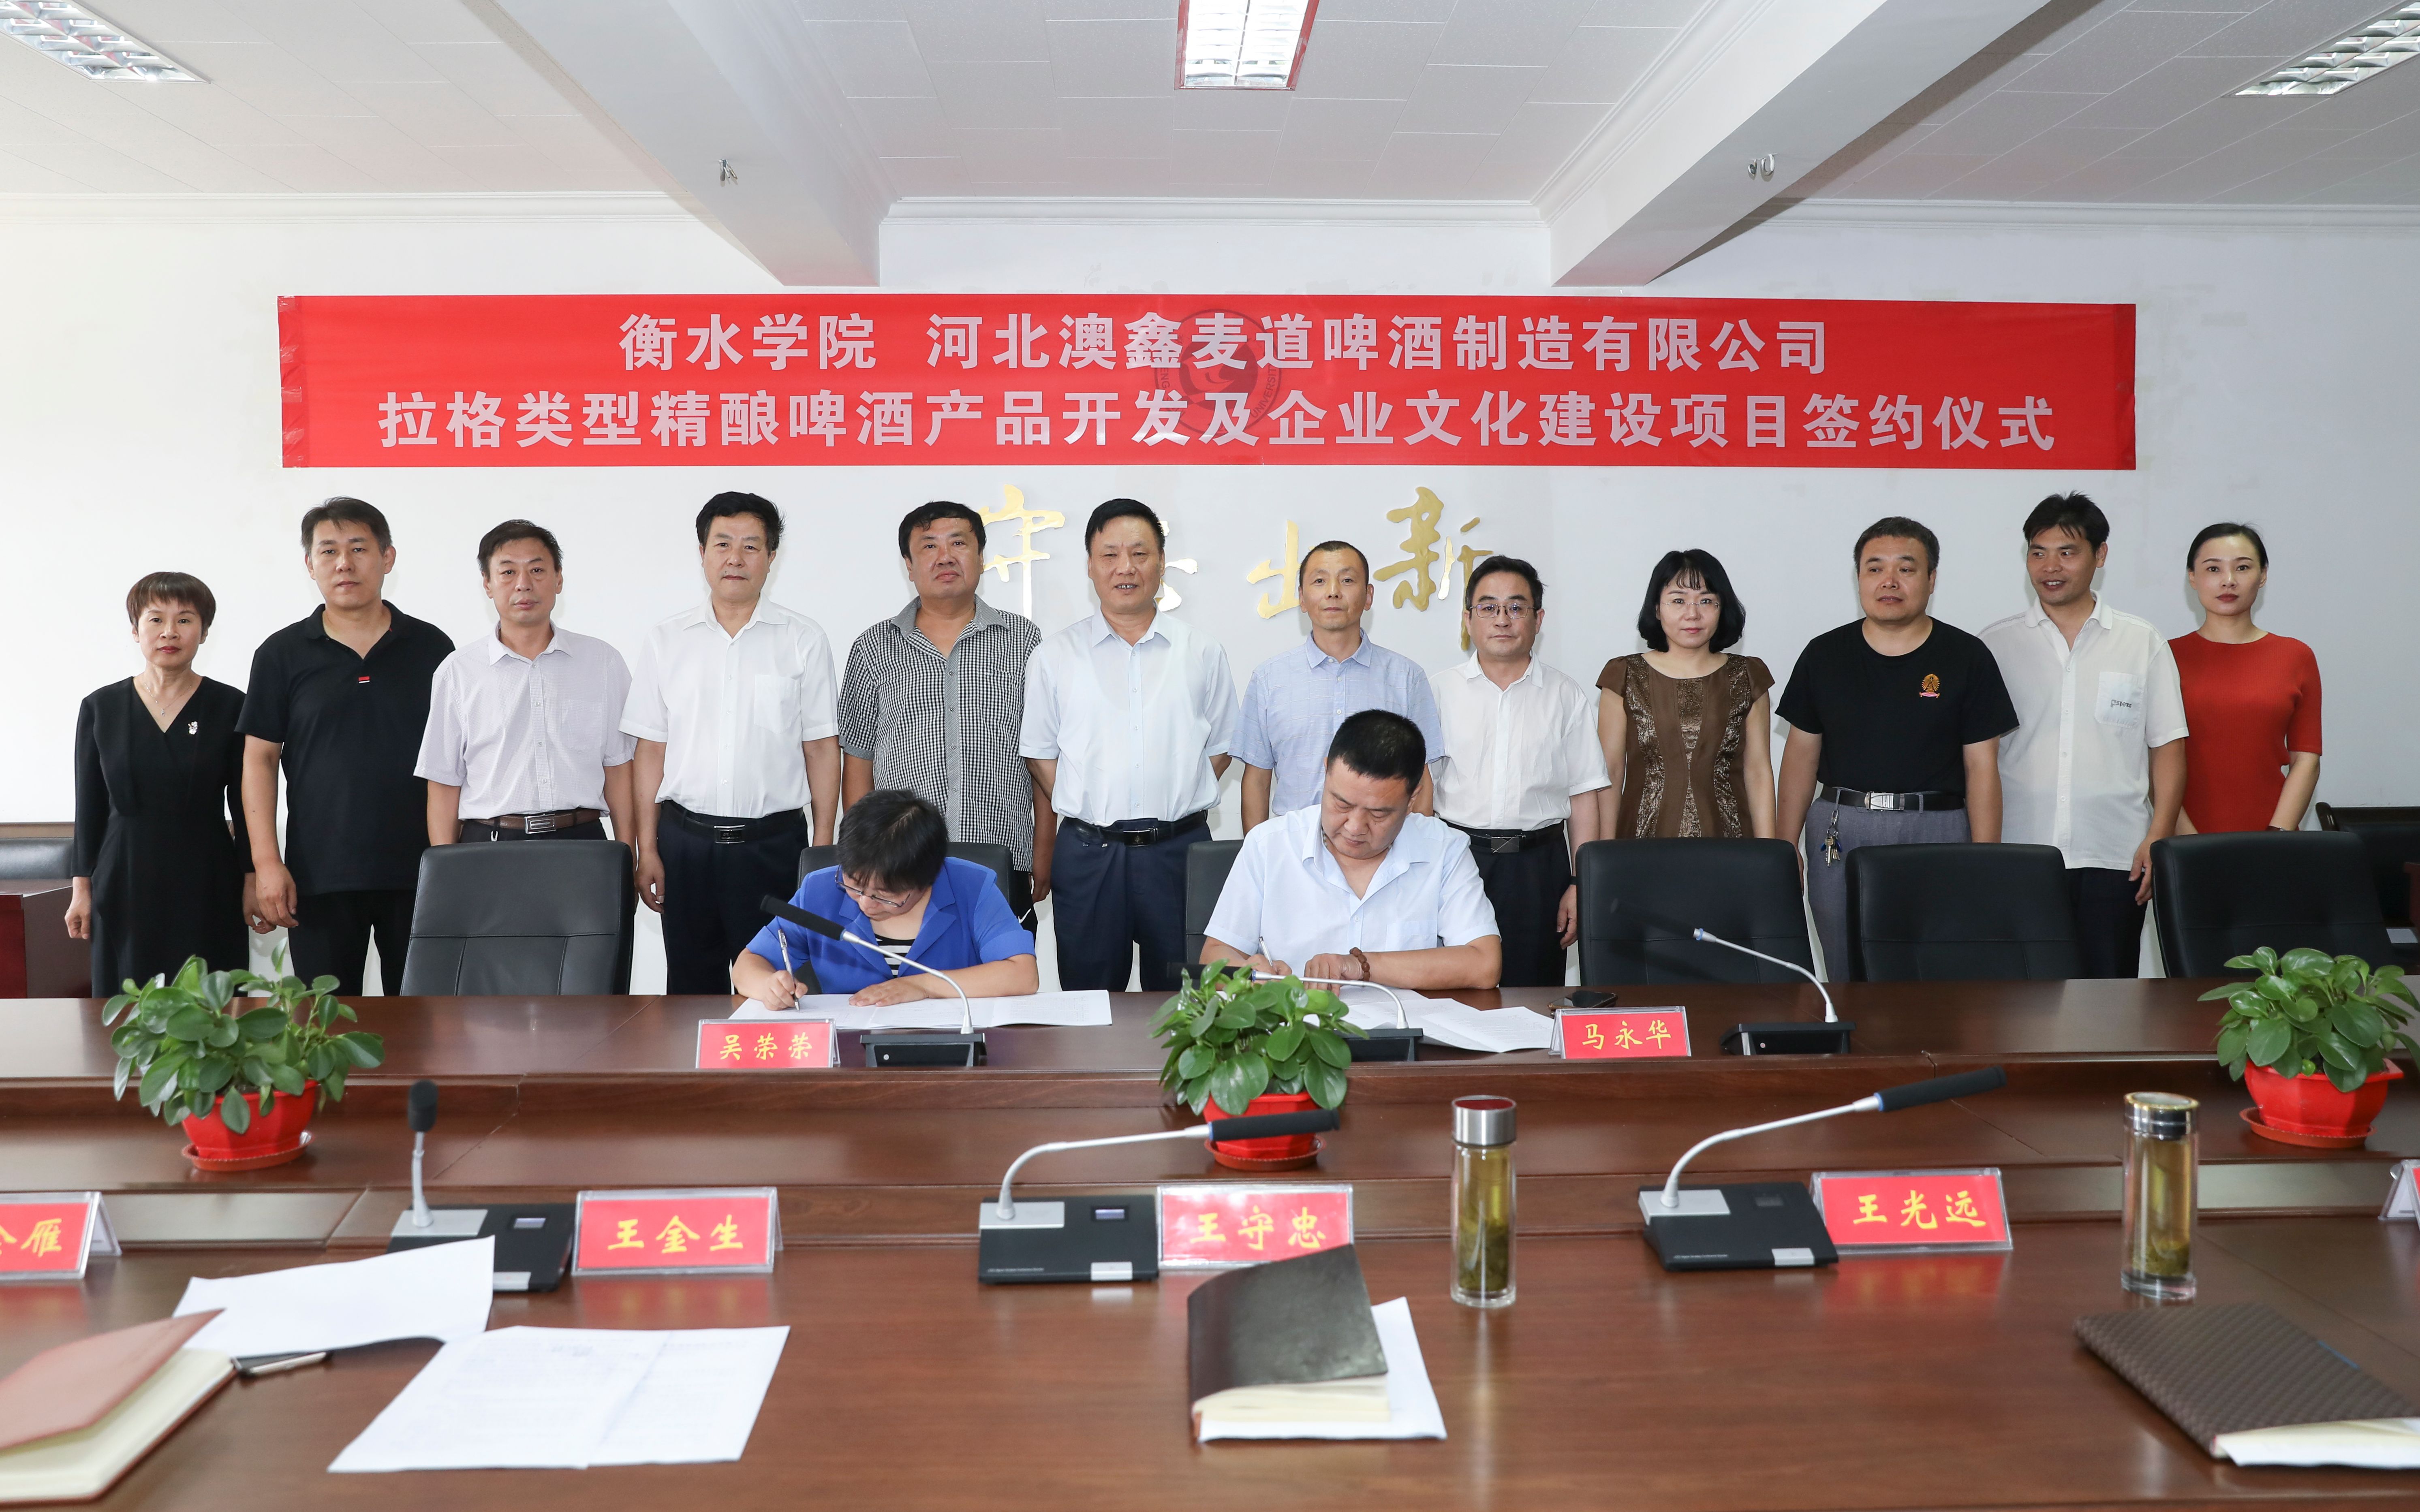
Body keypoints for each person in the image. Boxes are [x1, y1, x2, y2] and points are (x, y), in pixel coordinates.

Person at [1775, 517, 2018, 980]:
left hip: (1939, 831)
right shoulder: (1823, 655)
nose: (1889, 581)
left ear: (1931, 579)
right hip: (1841, 830)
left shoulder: (1966, 656)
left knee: (1937, 973)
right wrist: (1784, 848)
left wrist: (1986, 862)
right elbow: (1800, 758)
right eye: (1874, 569)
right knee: (1846, 971)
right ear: (1859, 578)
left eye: (1905, 569)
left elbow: (1981, 767)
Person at [622, 492, 840, 995]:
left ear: (771, 557)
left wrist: (822, 848)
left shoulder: (802, 639)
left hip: (773, 847)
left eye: (750, 546)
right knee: (690, 992)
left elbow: (820, 748)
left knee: (780, 988)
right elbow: (650, 750)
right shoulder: (666, 640)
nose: (735, 559)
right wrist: (647, 848)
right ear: (702, 553)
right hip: (685, 845)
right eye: (722, 544)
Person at [239, 498, 455, 995]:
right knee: (324, 1023)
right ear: (310, 564)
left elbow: (457, 761)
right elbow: (259, 760)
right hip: (319, 875)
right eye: (329, 551)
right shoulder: (281, 654)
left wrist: (454, 864)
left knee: (427, 1019)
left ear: (387, 558)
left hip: (421, 872)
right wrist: (267, 863)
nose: (344, 563)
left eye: (358, 548)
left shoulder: (432, 648)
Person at [1022, 498, 1238, 992]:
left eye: (1139, 554)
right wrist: (1088, 801)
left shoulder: (1201, 651)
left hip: (1180, 853)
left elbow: (1222, 746)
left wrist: (1177, 792)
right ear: (1090, 566)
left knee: (1188, 1006)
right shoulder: (1054, 656)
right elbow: (1040, 754)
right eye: (1110, 555)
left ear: (1161, 564)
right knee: (1090, 1006)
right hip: (1090, 855)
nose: (1126, 568)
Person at [1981, 494, 2189, 978]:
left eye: (2067, 552)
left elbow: (2167, 748)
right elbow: (1977, 759)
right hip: (2019, 852)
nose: (2050, 567)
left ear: (2100, 555)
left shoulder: (2141, 642)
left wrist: (2158, 836)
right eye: (2037, 553)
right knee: (2019, 1001)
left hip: (2116, 855)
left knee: (2107, 999)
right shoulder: (1994, 645)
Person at [838, 501, 1048, 925]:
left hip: (1001, 852)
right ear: (909, 565)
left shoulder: (1024, 641)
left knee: (1003, 965)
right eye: (929, 546)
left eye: (959, 544)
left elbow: (1042, 755)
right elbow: (858, 762)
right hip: (900, 862)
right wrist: (865, 858)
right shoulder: (873, 648)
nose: (945, 557)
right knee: (905, 967)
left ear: (981, 557)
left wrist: (1044, 850)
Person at [1202, 710, 1501, 989]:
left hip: (1405, 1025)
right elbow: (1214, 955)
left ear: (1412, 800)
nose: (1355, 827)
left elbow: (1484, 965)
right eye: (1342, 805)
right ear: (1326, 772)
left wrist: (1360, 966)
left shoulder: (1444, 849)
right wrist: (1246, 974)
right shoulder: (1270, 845)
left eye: (1378, 814)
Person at [68, 573, 263, 990]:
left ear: (204, 632)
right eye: (156, 620)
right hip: (124, 878)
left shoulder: (232, 706)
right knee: (127, 1005)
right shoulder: (101, 707)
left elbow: (247, 804)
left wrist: (253, 877)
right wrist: (81, 889)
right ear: (135, 630)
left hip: (208, 878)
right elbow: (89, 808)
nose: (169, 632)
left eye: (185, 620)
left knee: (211, 1004)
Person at [1429, 556, 1608, 988]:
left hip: (1539, 870)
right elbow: (1419, 792)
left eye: (1516, 607)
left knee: (1533, 995)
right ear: (1468, 619)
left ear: (1538, 619)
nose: (1502, 619)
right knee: (1456, 992)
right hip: (1459, 861)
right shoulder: (1438, 691)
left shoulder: (1564, 695)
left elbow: (1584, 795)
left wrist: (1579, 883)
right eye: (1488, 607)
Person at [415, 520, 637, 846]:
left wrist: (630, 856)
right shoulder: (457, 672)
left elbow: (619, 768)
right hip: (490, 845)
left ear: (559, 579)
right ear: (488, 584)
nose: (523, 584)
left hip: (582, 844)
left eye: (537, 570)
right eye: (508, 572)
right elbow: (444, 781)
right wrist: (446, 867)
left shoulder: (603, 662)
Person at [732, 789, 1038, 1008]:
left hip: (953, 1050)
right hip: (848, 1053)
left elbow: (1023, 975)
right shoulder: (819, 890)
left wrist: (921, 986)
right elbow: (749, 964)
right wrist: (769, 987)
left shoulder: (972, 886)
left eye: (886, 897)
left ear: (928, 878)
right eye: (854, 886)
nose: (866, 903)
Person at [1234, 539, 1439, 831]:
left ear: (1368, 596)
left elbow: (1422, 779)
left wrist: (1417, 849)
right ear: (1302, 598)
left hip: (1382, 844)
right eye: (1320, 581)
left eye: (1347, 580)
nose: (1333, 591)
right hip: (1294, 845)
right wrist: (1258, 852)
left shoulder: (1406, 678)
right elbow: (1256, 780)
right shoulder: (1269, 679)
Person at [1597, 549, 1777, 840]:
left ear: (1722, 607)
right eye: (1678, 601)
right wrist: (1603, 852)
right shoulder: (1624, 675)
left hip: (1731, 846)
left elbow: (1758, 771)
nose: (1692, 614)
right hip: (1641, 846)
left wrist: (1770, 852)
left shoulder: (1748, 675)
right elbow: (1611, 772)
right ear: (1657, 609)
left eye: (1706, 601)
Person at [2170, 523, 2321, 834]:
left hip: (2274, 840)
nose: (2229, 581)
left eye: (2242, 568)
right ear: (2193, 578)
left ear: (2263, 575)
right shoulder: (2164, 658)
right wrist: (2187, 843)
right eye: (2213, 569)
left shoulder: (2296, 656)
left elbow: (2306, 759)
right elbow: (2154, 762)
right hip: (2184, 842)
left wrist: (2277, 837)